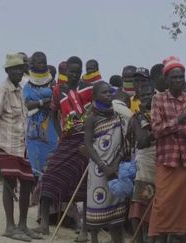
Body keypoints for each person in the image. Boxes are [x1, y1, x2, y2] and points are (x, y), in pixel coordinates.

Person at [148, 56, 186, 243]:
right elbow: (156, 130)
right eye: (174, 77)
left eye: (181, 77)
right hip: (166, 160)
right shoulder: (158, 99)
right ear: (166, 79)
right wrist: (179, 120)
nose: (178, 80)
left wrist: (171, 127)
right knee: (162, 205)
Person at [34, 56, 92, 240]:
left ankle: (84, 230)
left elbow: (96, 112)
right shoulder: (58, 90)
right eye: (70, 72)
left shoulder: (88, 89)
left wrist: (90, 140)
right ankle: (44, 225)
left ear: (81, 71)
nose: (73, 75)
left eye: (77, 72)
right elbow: (53, 114)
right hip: (67, 140)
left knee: (85, 184)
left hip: (86, 140)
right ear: (65, 73)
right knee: (50, 176)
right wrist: (60, 136)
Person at [0, 53, 41, 241]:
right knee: (9, 184)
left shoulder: (19, 90)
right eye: (14, 68)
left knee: (27, 182)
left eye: (20, 68)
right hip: (5, 144)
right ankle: (10, 226)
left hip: (20, 145)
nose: (19, 71)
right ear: (8, 70)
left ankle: (23, 225)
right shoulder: (3, 89)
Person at [84, 81, 129, 243]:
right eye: (104, 92)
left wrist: (115, 165)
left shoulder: (117, 116)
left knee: (117, 214)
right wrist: (103, 166)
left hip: (115, 168)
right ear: (95, 96)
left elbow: (123, 143)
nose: (109, 94)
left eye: (110, 92)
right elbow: (88, 145)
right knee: (96, 213)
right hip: (98, 169)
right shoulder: (91, 119)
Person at [126, 82, 157, 243]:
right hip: (145, 161)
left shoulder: (162, 114)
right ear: (139, 98)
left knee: (158, 205)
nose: (147, 98)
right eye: (143, 96)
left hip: (164, 160)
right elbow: (142, 140)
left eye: (150, 94)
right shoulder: (137, 117)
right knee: (139, 202)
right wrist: (162, 130)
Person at [23, 51, 58, 178]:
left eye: (44, 62)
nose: (43, 65)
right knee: (34, 160)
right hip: (33, 127)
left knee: (50, 157)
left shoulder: (53, 83)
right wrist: (43, 101)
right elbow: (26, 105)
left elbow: (54, 102)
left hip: (50, 126)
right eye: (39, 62)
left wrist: (37, 102)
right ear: (32, 64)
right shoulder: (27, 84)